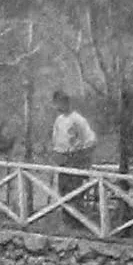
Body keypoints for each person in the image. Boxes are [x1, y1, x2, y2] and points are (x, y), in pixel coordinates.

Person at [50, 90, 97, 227]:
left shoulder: (78, 119)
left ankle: (77, 222)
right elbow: (56, 140)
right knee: (63, 191)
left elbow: (91, 139)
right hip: (62, 160)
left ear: (67, 102)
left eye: (61, 102)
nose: (59, 106)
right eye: (56, 103)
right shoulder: (58, 120)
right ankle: (66, 222)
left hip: (74, 160)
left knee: (74, 192)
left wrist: (78, 151)